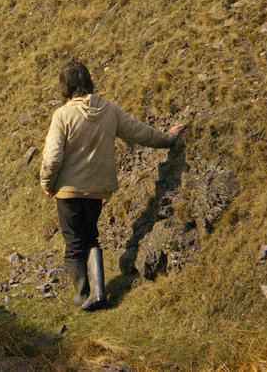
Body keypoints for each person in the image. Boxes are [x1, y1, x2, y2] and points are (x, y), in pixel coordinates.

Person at [39, 61, 185, 310]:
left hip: (68, 191)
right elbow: (139, 132)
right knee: (91, 236)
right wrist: (168, 138)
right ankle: (99, 291)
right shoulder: (110, 110)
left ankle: (83, 294)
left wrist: (47, 183)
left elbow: (53, 157)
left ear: (66, 86)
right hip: (98, 189)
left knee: (74, 242)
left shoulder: (62, 115)